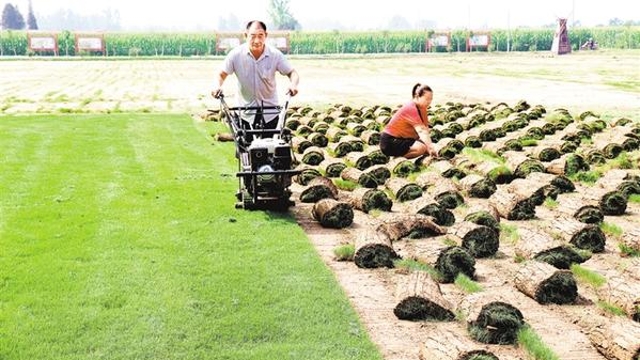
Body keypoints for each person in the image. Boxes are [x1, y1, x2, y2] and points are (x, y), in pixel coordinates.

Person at [212, 20, 300, 130]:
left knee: (271, 145)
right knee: (243, 146)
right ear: (246, 35)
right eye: (252, 36)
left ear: (266, 35)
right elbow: (221, 74)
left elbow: (293, 73)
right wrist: (217, 86)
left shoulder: (275, 55)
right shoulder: (236, 55)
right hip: (244, 113)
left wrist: (293, 85)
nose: (257, 40)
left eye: (260, 36)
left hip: (270, 113)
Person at [379, 83, 438, 160]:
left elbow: (425, 129)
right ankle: (397, 160)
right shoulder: (410, 108)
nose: (429, 102)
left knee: (426, 147)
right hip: (390, 142)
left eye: (431, 99)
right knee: (421, 148)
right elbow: (421, 131)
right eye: (427, 99)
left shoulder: (422, 108)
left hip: (403, 139)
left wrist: (429, 147)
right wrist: (430, 148)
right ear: (417, 97)